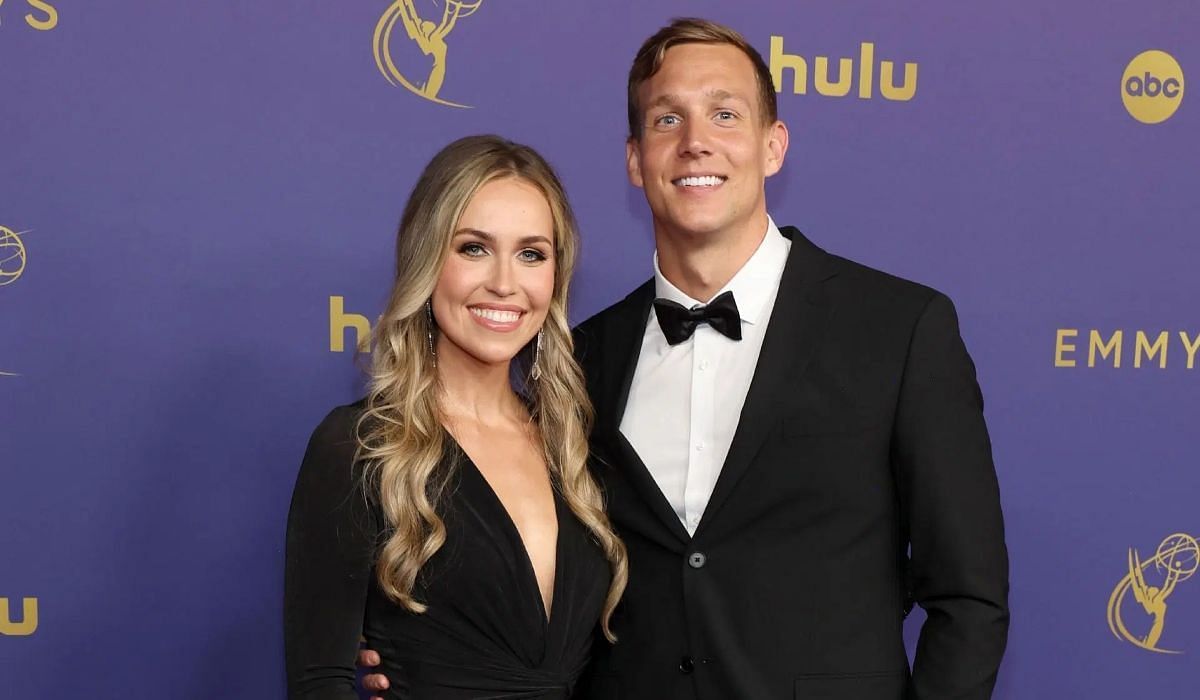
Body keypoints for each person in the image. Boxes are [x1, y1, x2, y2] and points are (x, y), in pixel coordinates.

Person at [362, 18, 1009, 700]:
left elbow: (969, 598)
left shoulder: (899, 329)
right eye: (668, 119)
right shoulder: (582, 359)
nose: (696, 141)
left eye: (724, 114)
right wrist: (425, 661)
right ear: (637, 159)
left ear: (773, 146)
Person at [285, 134, 627, 699]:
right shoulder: (360, 447)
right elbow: (318, 681)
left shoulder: (577, 452)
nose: (504, 282)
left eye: (531, 253)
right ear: (427, 261)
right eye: (473, 248)